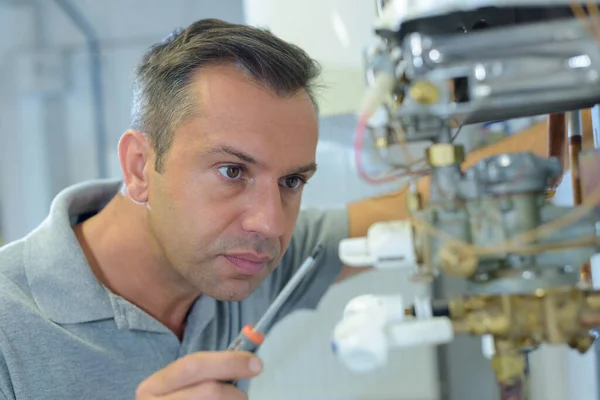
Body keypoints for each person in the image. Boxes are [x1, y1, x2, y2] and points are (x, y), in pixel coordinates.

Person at [0, 18, 592, 400]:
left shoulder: (251, 260)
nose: (271, 224)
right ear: (138, 169)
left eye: (291, 181)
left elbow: (445, 205)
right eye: (232, 171)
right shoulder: (9, 329)